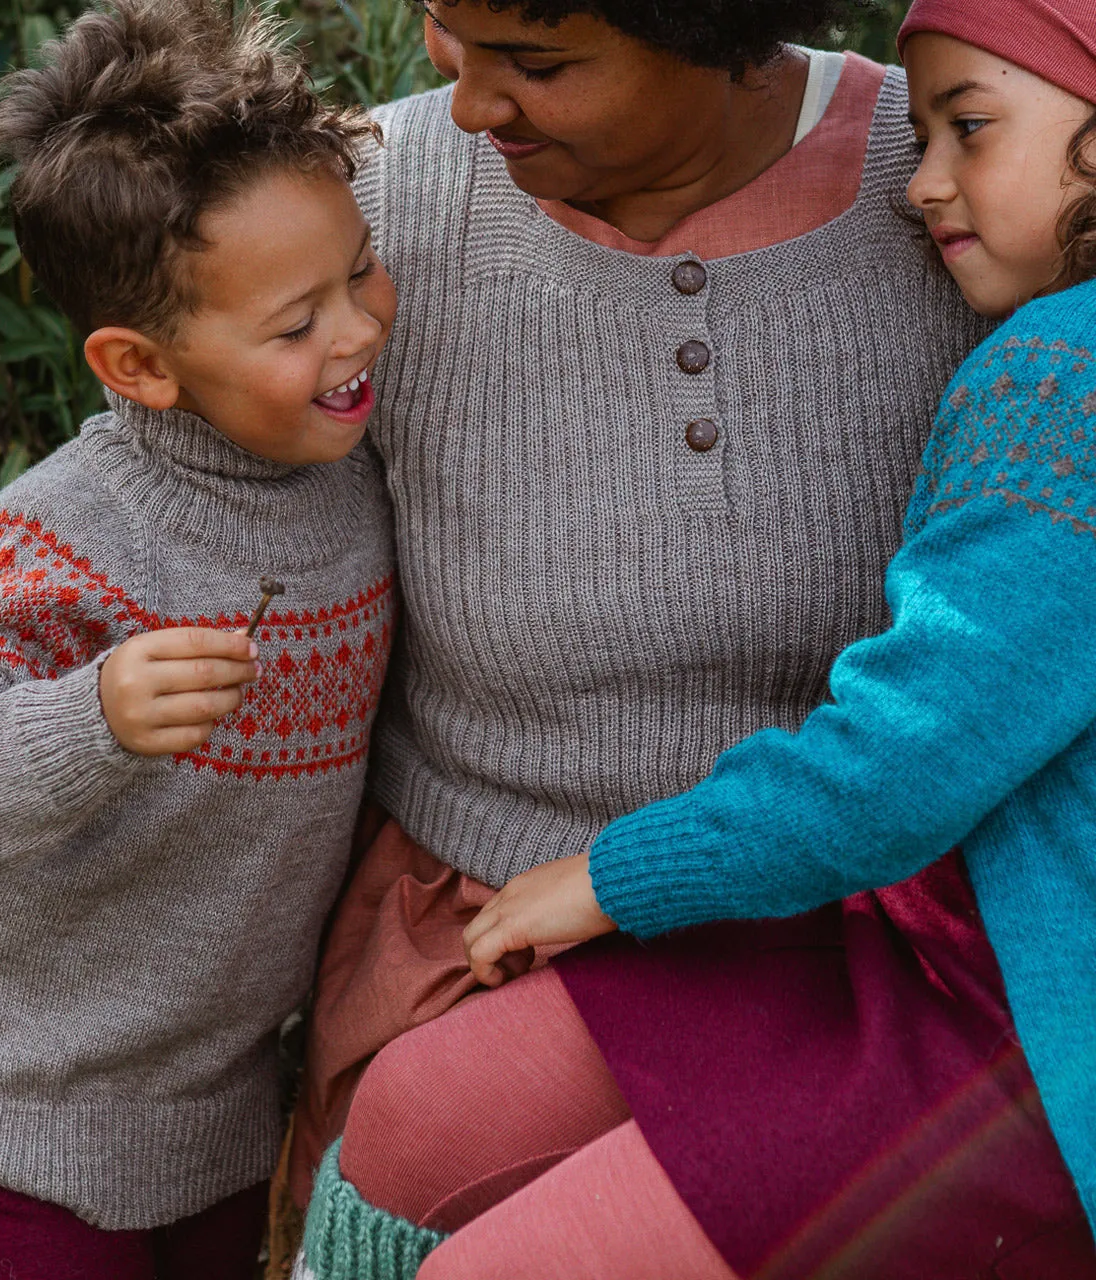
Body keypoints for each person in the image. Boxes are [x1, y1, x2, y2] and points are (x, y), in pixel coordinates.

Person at [299, 0, 1096, 1276]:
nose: (921, 184)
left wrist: (613, 873)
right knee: (413, 1119)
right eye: (448, 37)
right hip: (878, 929)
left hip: (1006, 997)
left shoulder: (1052, 365)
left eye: (539, 62)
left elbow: (904, 758)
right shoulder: (373, 218)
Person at [0, 3, 396, 1277]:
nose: (357, 330)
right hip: (15, 1112)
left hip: (210, 1108)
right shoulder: (59, 535)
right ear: (139, 365)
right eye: (294, 322)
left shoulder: (352, 479)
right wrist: (88, 717)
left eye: (359, 271)